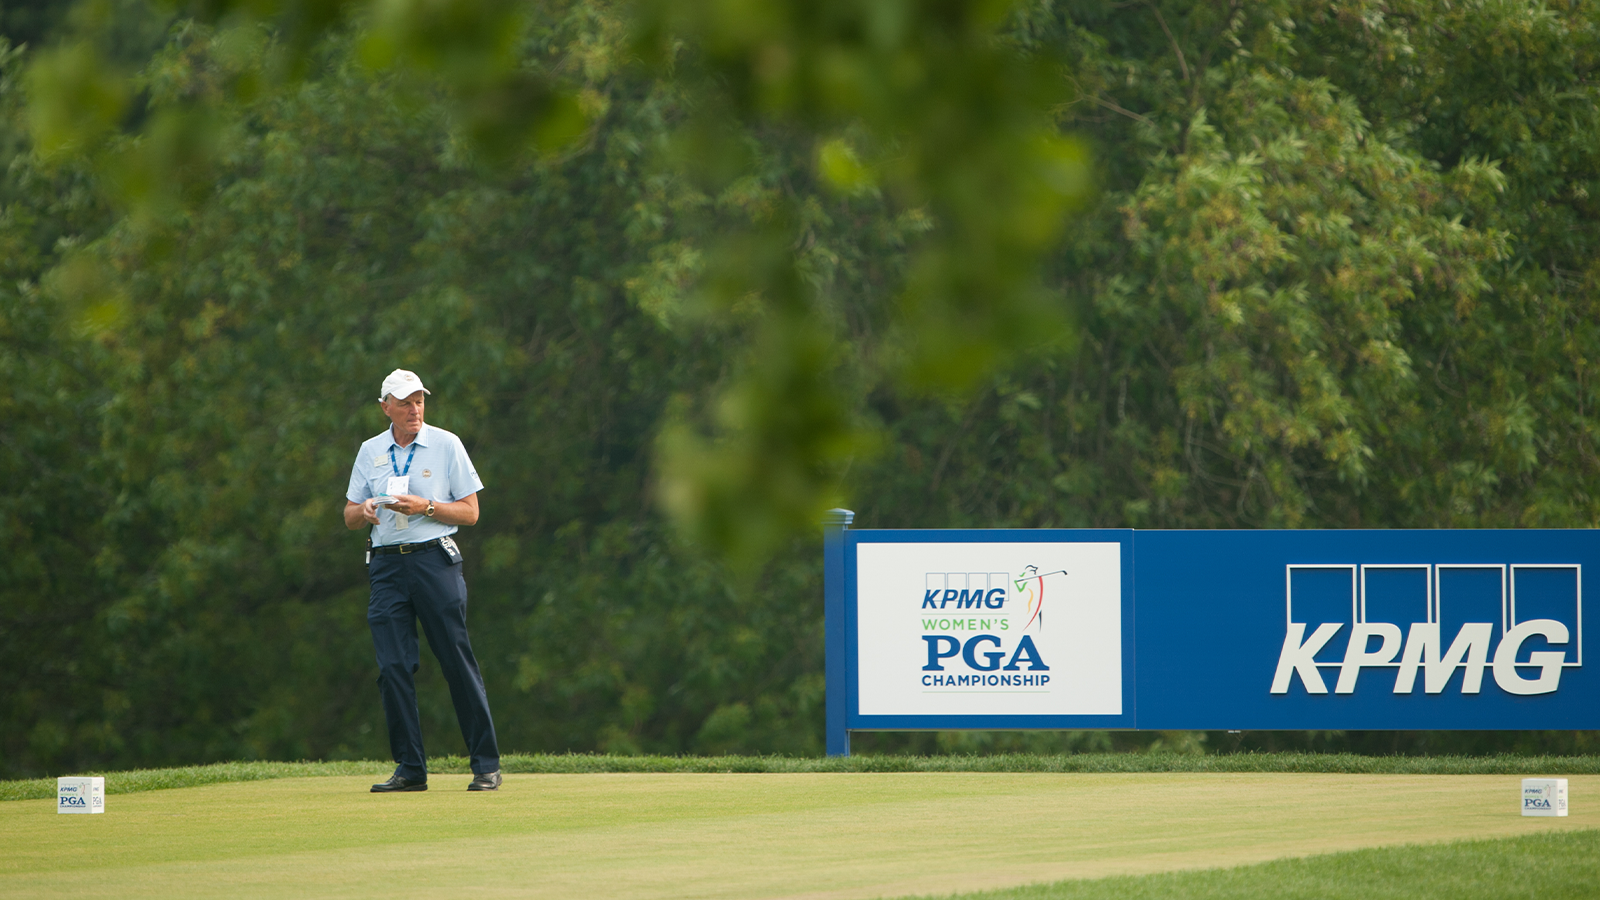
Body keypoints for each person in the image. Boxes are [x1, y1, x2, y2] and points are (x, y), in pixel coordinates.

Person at [343, 368, 502, 792]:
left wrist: (427, 507)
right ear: (385, 408)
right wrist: (366, 512)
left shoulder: (447, 444)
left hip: (434, 561)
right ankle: (411, 768)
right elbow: (349, 514)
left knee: (455, 659)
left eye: (419, 401)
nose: (414, 409)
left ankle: (486, 765)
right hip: (386, 567)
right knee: (393, 666)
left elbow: (470, 512)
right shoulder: (369, 450)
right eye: (405, 402)